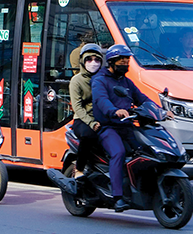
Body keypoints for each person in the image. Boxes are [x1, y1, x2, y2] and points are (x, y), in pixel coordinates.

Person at [91, 44, 162, 212]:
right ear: (111, 62)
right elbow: (101, 100)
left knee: (145, 152)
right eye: (121, 60)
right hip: (107, 127)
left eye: (127, 60)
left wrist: (161, 111)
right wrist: (114, 111)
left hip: (126, 126)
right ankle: (118, 197)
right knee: (118, 153)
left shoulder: (126, 82)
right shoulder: (100, 80)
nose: (125, 63)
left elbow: (142, 99)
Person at [69, 43, 104, 179]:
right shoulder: (76, 81)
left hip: (101, 118)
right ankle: (79, 168)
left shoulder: (103, 79)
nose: (93, 63)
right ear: (83, 61)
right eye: (89, 59)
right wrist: (91, 123)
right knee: (88, 136)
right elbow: (77, 107)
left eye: (97, 60)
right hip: (83, 119)